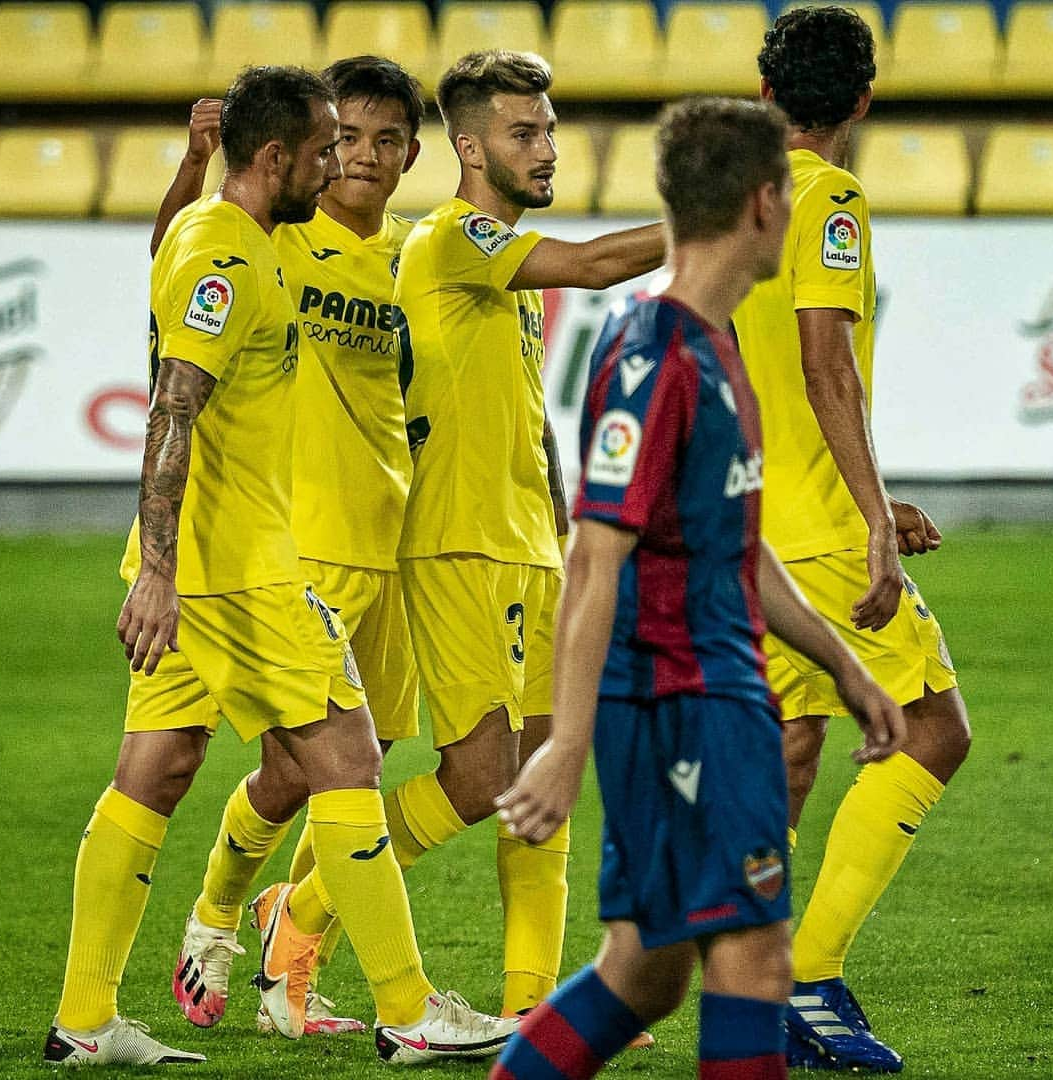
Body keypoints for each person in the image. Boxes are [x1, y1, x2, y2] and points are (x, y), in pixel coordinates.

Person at [489, 95, 907, 1080]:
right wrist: (565, 745)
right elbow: (596, 557)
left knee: (646, 973)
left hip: (713, 686)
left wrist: (844, 669)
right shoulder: (656, 354)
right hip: (685, 701)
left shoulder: (710, 342)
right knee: (755, 957)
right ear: (766, 204)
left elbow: (737, 546)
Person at [149, 59, 518, 1065]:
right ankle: (229, 927)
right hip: (291, 545)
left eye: (390, 138)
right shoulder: (276, 229)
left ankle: (278, 962)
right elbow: (175, 273)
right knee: (315, 766)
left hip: (387, 547)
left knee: (334, 765)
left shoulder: (416, 256)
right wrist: (192, 166)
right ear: (321, 145)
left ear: (409, 154)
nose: (365, 153)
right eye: (347, 135)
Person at [42, 64, 345, 1068]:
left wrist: (187, 163)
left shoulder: (234, 233)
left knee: (159, 770)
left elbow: (172, 246)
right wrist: (160, 573)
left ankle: (85, 1023)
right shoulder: (230, 252)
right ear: (272, 159)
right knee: (339, 762)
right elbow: (172, 407)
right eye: (322, 149)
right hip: (221, 569)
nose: (334, 165)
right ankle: (399, 1006)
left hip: (211, 559)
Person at [383, 48, 666, 1029]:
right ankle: (313, 904)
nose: (547, 149)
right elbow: (592, 266)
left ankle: (528, 1009)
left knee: (548, 776)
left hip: (528, 548)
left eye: (548, 129)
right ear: (468, 147)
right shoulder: (453, 236)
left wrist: (561, 524)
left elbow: (528, 416)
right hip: (455, 543)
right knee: (477, 781)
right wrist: (715, 225)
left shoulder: (503, 266)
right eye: (523, 132)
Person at [732, 8, 971, 1072]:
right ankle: (807, 975)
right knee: (933, 732)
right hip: (821, 536)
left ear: (766, 90)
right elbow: (825, 363)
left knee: (788, 748)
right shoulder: (829, 196)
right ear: (866, 100)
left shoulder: (729, 195)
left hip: (744, 523)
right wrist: (874, 517)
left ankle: (738, 982)